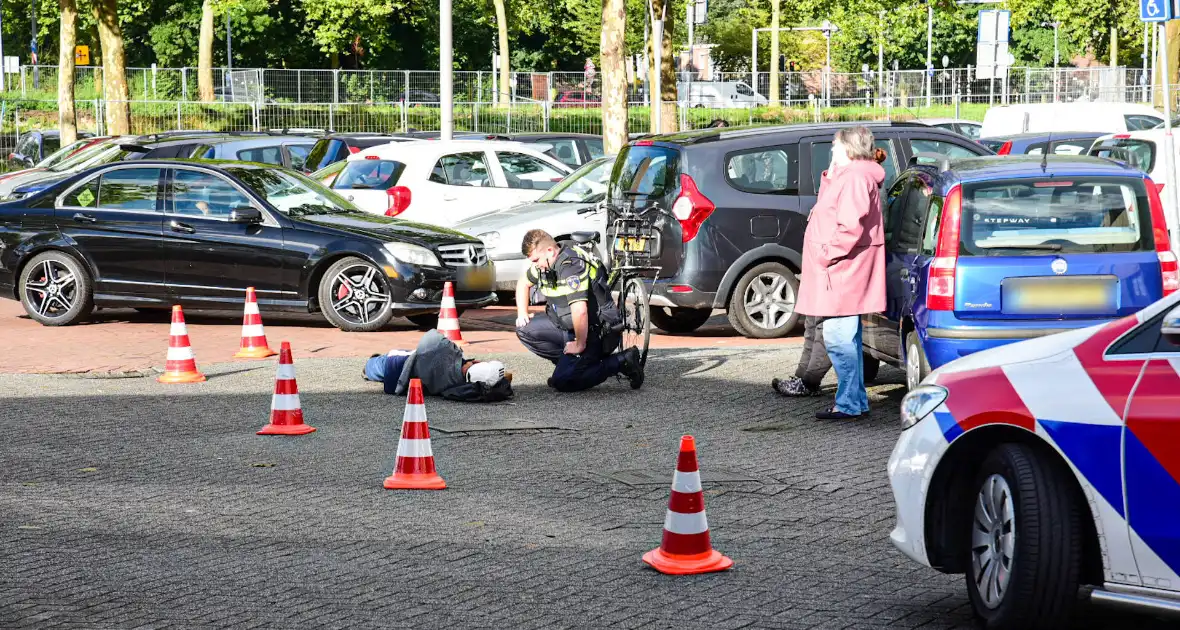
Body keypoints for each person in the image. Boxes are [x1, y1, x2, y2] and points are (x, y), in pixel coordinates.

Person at [772, 146, 889, 398]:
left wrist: (827, 255)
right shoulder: (844, 178)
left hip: (838, 270)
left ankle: (831, 392)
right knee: (815, 326)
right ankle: (808, 380)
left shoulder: (856, 179)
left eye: (836, 147)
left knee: (834, 336)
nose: (832, 150)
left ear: (850, 150)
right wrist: (831, 175)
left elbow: (849, 228)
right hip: (826, 269)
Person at [514, 229, 644, 392]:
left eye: (536, 260)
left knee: (563, 382)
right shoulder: (545, 264)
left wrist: (579, 344)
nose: (535, 265)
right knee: (524, 329)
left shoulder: (571, 266)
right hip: (565, 325)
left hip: (594, 330)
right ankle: (570, 364)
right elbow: (522, 283)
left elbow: (580, 310)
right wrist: (522, 313)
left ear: (549, 250)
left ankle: (621, 361)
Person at [364, 329, 514, 402]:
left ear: (476, 363)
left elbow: (431, 337)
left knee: (374, 365)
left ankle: (369, 366)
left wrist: (453, 348)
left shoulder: (445, 353)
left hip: (396, 365)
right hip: (401, 383)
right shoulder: (458, 386)